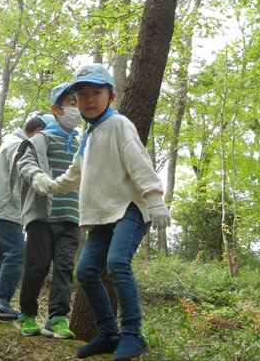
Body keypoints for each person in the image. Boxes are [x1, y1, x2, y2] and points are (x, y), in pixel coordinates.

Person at [30, 64, 171, 361]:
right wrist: (50, 185)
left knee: (118, 261)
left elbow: (139, 162)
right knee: (86, 271)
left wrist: (155, 199)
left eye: (96, 92)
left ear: (112, 96)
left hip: (129, 208)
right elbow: (72, 176)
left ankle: (133, 333)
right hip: (103, 216)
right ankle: (108, 333)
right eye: (82, 95)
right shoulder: (88, 136)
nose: (89, 100)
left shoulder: (119, 125)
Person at [0, 114, 52, 322]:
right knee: (16, 254)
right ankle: (1, 301)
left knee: (0, 258)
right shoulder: (23, 145)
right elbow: (23, 176)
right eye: (47, 136)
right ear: (39, 131)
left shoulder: (10, 141)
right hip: (4, 207)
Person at [15, 83, 81, 338]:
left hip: (71, 217)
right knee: (37, 266)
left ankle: (57, 317)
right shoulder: (41, 137)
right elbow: (25, 162)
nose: (77, 109)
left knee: (65, 267)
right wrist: (38, 177)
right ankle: (28, 314)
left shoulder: (82, 143)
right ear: (57, 109)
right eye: (73, 103)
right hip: (42, 217)